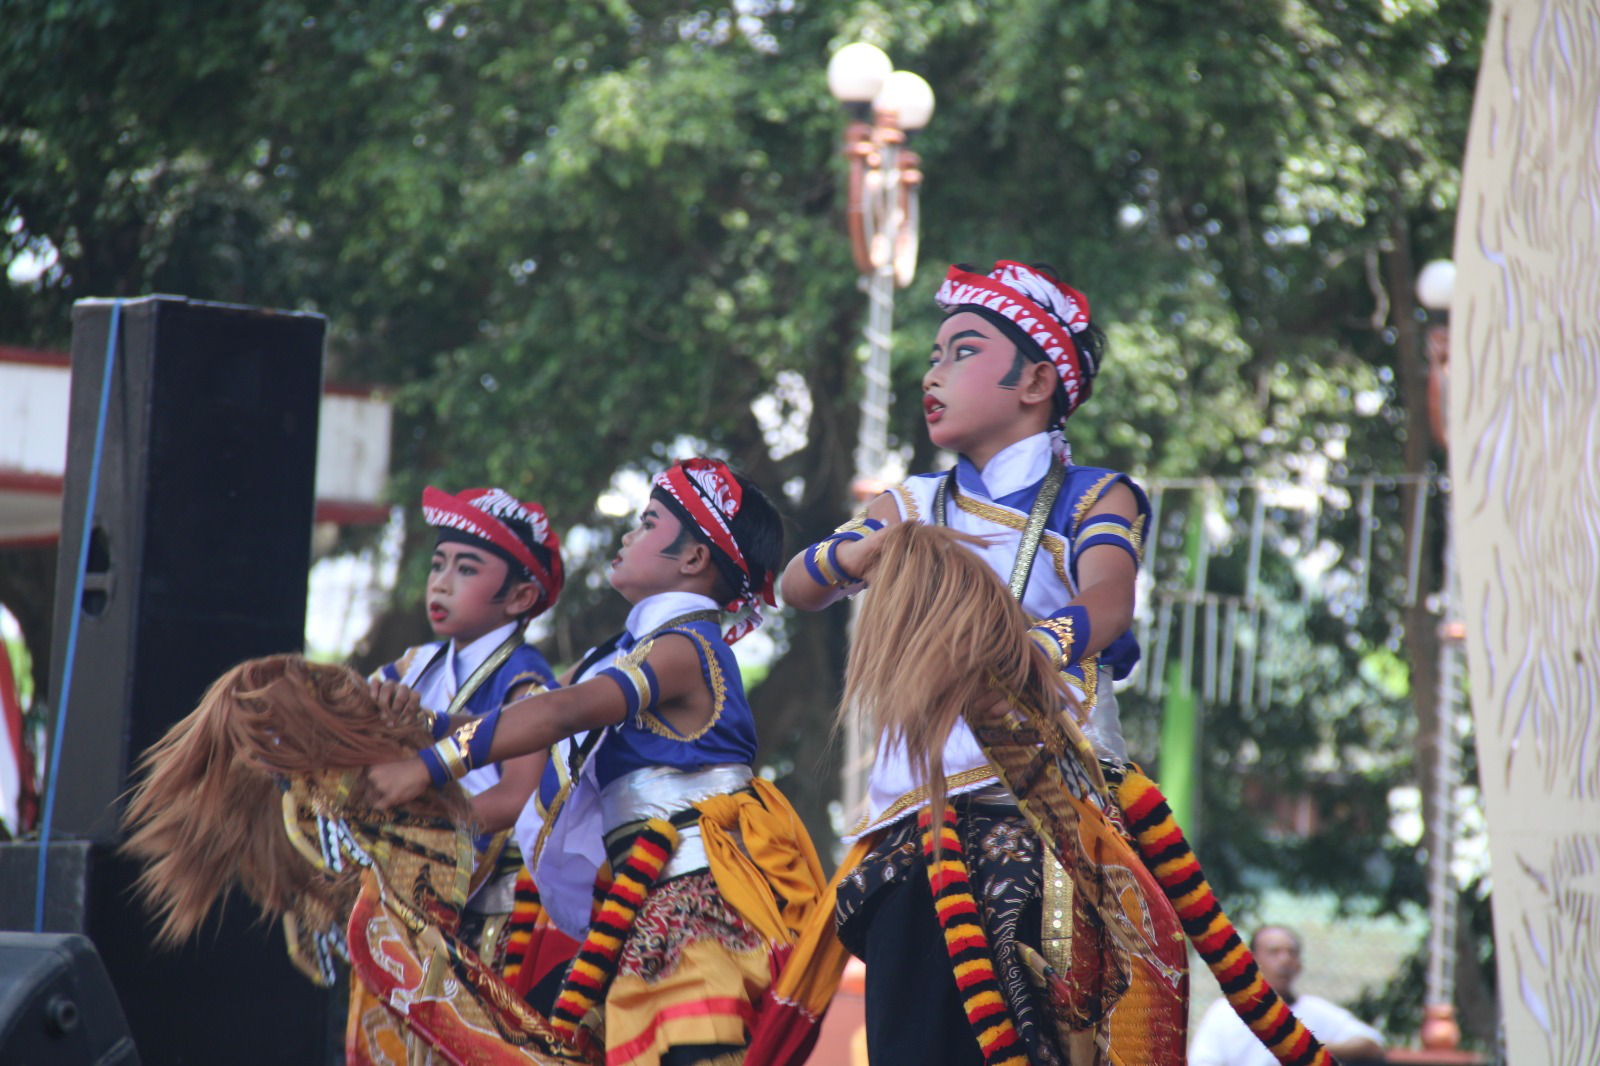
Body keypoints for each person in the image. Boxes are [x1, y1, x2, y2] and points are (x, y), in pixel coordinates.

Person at [780, 260, 1187, 1065]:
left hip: (1042, 816)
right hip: (915, 832)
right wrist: (866, 550)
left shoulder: (1094, 495)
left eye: (960, 352)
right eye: (932, 355)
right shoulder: (908, 503)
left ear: (1036, 379)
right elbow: (800, 584)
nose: (932, 374)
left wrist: (1039, 646)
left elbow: (1110, 600)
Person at [369, 458, 828, 1066]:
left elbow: (559, 715)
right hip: (635, 905)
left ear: (693, 559)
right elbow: (530, 728)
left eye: (646, 523)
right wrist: (423, 726)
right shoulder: (618, 654)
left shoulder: (685, 648)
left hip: (692, 905)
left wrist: (427, 766)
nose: (627, 535)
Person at [367, 485, 564, 968]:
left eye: (466, 569)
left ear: (520, 596)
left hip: (489, 908)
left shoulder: (526, 679)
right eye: (438, 564)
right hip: (409, 888)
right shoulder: (414, 665)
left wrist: (419, 831)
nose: (442, 582)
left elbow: (518, 796)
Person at [1189, 926, 1386, 1066]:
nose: (1285, 960)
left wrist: (1303, 1049)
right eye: (1274, 952)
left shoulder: (1315, 1010)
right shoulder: (1224, 1012)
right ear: (1252, 960)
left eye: (1292, 953)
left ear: (1299, 964)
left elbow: (1371, 1046)